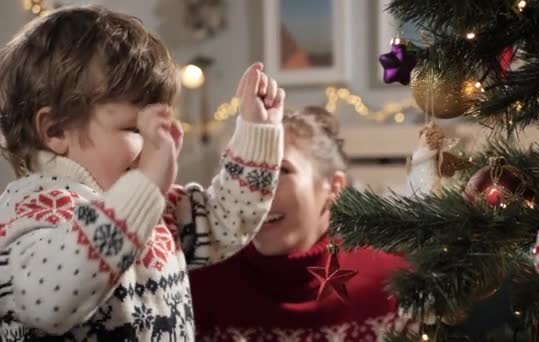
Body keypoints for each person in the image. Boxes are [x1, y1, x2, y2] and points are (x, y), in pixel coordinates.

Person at [0, 6, 285, 341]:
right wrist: (145, 187)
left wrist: (257, 132)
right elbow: (50, 300)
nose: (157, 142)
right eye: (135, 128)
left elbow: (227, 219)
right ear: (56, 130)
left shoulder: (156, 208)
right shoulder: (29, 213)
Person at [190, 106, 415, 341]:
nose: (256, 191)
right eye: (244, 173)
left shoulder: (393, 285)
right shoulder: (200, 285)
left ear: (334, 187)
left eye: (281, 171)